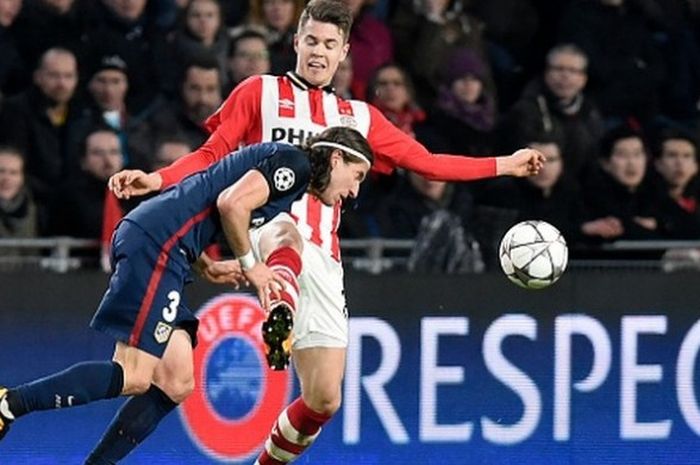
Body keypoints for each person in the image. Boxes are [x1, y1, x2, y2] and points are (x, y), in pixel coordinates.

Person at [105, 1, 544, 464]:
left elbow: (429, 164)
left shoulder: (360, 118)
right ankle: (280, 307)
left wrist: (507, 164)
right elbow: (211, 155)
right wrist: (158, 179)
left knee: (324, 399)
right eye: (311, 41)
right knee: (286, 233)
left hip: (324, 257)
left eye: (329, 44)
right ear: (296, 43)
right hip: (263, 229)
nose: (318, 51)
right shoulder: (260, 93)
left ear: (344, 52)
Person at [0, 126, 374, 462]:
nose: (355, 191)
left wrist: (208, 268)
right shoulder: (294, 163)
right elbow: (231, 203)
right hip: (158, 247)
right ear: (336, 157)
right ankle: (9, 403)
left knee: (176, 381)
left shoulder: (286, 171)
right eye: (356, 176)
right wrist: (251, 266)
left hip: (169, 248)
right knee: (134, 375)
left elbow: (202, 200)